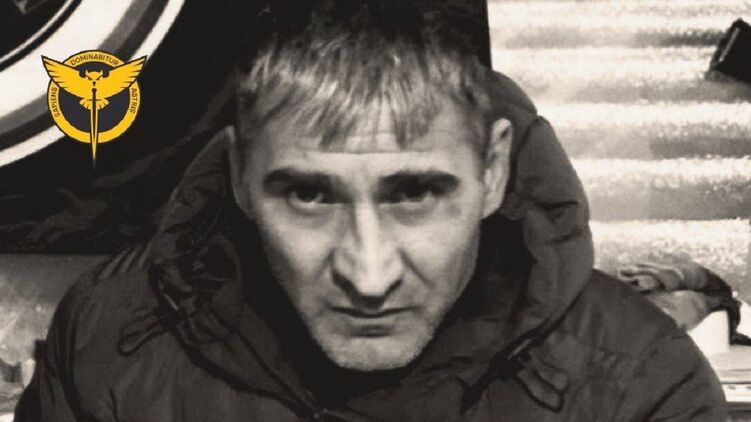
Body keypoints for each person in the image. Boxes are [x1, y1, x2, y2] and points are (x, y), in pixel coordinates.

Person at [15, 6, 726, 422]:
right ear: (238, 178)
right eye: (309, 196)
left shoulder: (634, 383)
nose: (368, 273)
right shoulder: (109, 343)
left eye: (415, 195)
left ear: (492, 171)